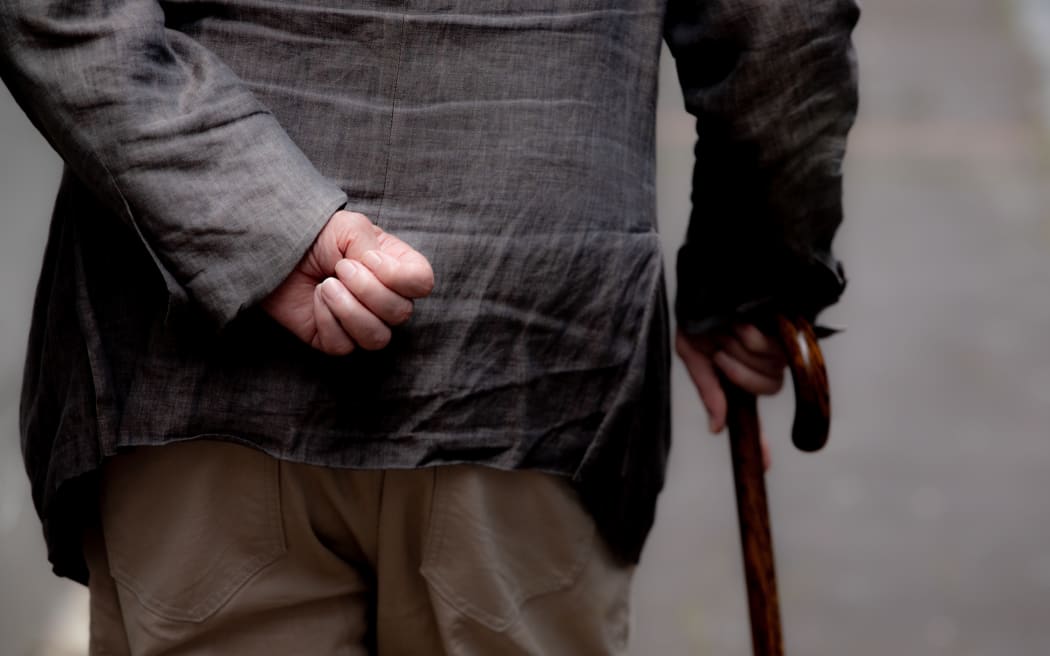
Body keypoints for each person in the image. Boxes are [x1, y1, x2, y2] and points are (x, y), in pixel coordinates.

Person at [1, 0, 858, 653]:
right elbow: (781, 33)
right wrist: (752, 274)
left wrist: (257, 216)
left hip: (187, 352)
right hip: (528, 360)